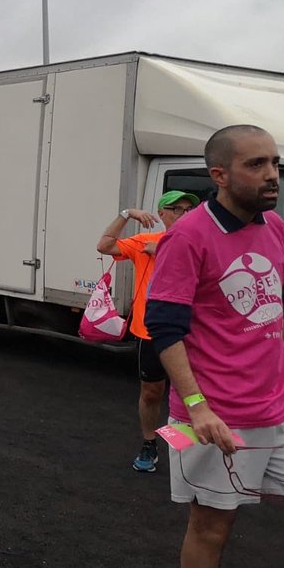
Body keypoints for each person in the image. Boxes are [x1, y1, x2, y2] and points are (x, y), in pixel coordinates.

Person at [145, 125, 284, 568]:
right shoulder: (188, 235)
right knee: (211, 530)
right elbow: (165, 328)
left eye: (274, 162)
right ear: (219, 175)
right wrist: (197, 406)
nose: (272, 175)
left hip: (281, 409)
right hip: (214, 418)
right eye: (256, 164)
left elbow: (281, 308)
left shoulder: (276, 227)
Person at [96, 189, 200, 472]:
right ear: (162, 214)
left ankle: (184, 449)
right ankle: (149, 442)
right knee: (152, 392)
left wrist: (165, 249)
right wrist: (126, 214)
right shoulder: (145, 242)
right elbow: (104, 246)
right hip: (150, 332)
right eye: (176, 209)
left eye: (188, 209)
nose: (183, 214)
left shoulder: (198, 243)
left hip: (190, 333)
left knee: (189, 393)